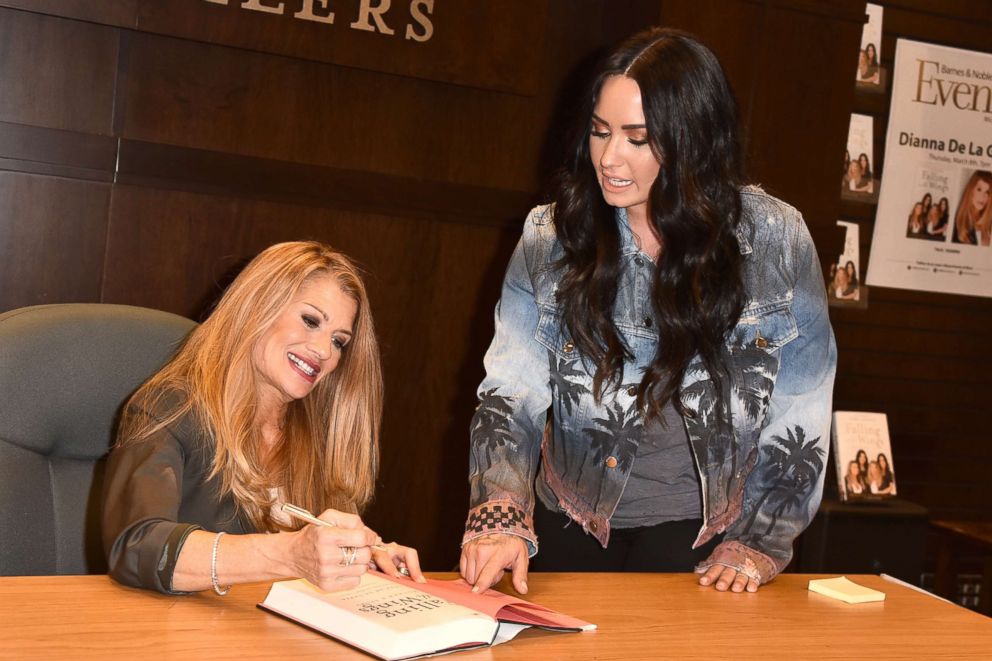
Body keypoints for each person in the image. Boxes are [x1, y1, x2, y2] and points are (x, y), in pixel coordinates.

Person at [459, 28, 836, 596]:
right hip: (567, 517)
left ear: (693, 141)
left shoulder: (776, 241)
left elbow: (801, 404)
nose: (609, 158)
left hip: (705, 534)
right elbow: (512, 387)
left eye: (638, 139)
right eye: (599, 132)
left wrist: (761, 539)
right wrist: (498, 510)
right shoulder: (551, 236)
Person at [103, 241, 425, 595]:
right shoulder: (170, 406)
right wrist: (288, 554)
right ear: (258, 307)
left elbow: (309, 559)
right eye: (310, 321)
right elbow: (136, 546)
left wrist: (361, 557)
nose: (323, 351)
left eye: (339, 342)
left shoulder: (314, 433)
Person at [952, 170, 992, 246]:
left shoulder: (989, 223)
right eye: (979, 190)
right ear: (971, 190)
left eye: (987, 192)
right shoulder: (957, 225)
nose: (983, 196)